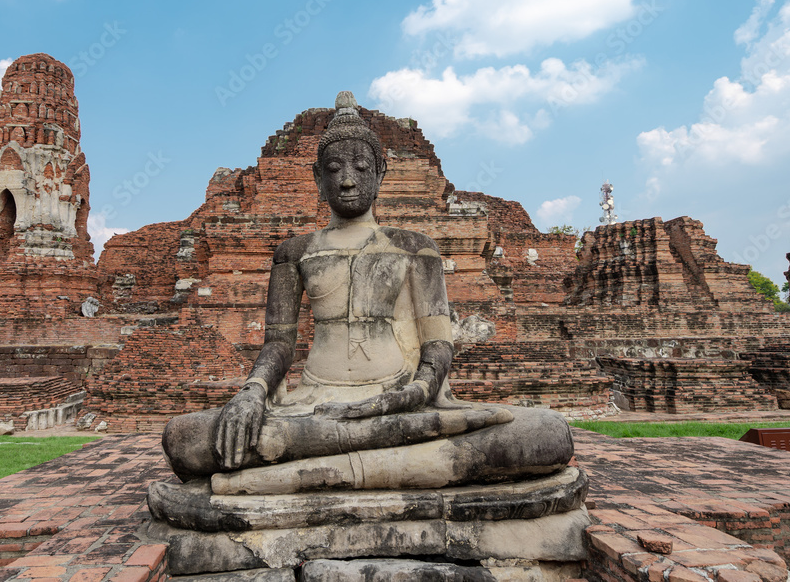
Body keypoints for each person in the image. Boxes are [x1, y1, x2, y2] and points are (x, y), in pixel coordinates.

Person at [161, 93, 570, 494]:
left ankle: (294, 476)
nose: (347, 179)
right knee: (185, 440)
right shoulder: (295, 252)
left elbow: (439, 343)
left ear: (381, 172)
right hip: (314, 407)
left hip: (401, 403)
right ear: (318, 179)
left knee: (546, 433)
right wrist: (252, 393)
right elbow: (279, 344)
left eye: (360, 166)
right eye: (334, 168)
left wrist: (418, 391)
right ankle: (392, 469)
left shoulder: (414, 247)